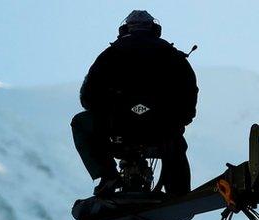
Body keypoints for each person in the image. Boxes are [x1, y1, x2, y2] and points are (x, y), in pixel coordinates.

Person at [71, 10, 198, 197]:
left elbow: (88, 97)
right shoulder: (173, 56)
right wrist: (181, 120)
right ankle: (179, 195)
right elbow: (189, 92)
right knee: (176, 146)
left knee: (80, 123)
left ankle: (108, 176)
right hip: (161, 127)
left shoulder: (109, 55)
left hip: (118, 127)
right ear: (155, 30)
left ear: (124, 29)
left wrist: (108, 110)